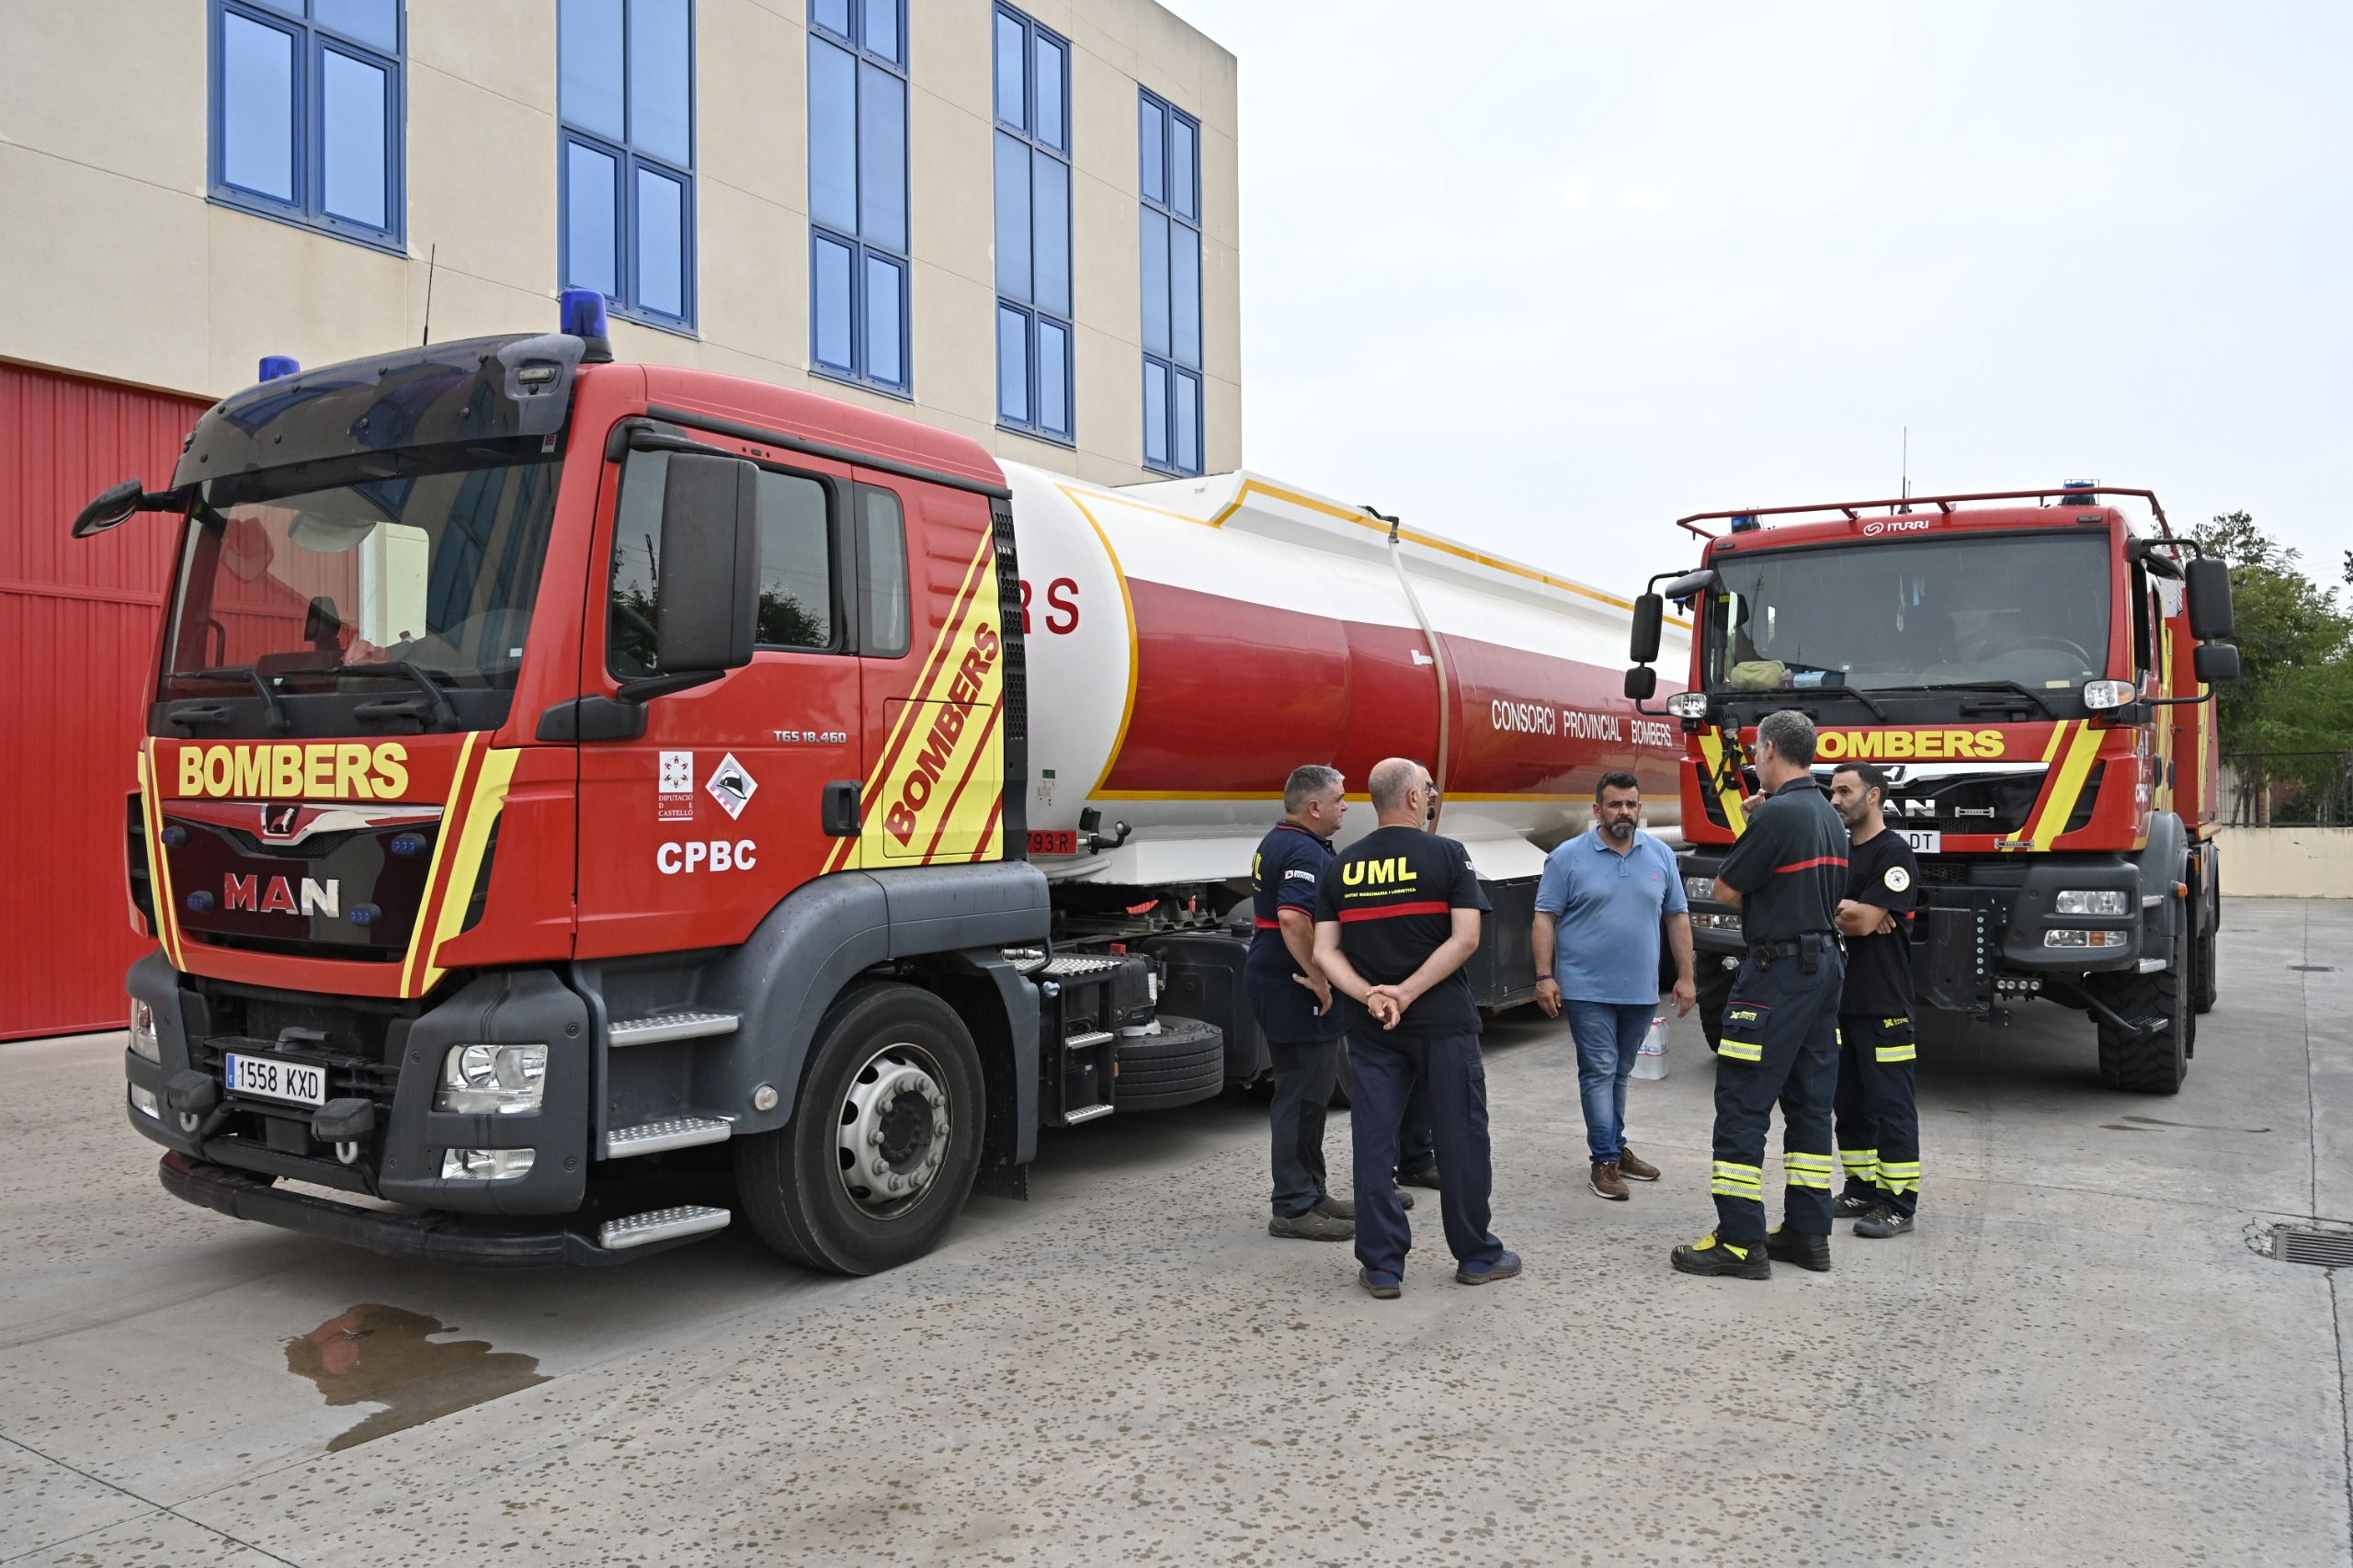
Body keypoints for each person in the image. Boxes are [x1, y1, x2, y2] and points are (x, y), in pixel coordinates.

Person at [1313, 757, 1518, 1298]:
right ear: (1410, 797)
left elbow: (1325, 951)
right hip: (1442, 1023)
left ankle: (1383, 1267)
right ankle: (1477, 1255)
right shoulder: (1448, 855)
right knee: (1461, 1137)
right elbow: (1465, 938)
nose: (1432, 797)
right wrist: (1407, 991)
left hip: (1371, 1027)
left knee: (1374, 1143)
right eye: (1428, 789)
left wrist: (1371, 994)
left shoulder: (1342, 865)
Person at [1671, 710, 1849, 1280]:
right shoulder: (1828, 813)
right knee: (1809, 1106)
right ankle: (1808, 1232)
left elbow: (1727, 888)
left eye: (1755, 752)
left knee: (1742, 1103)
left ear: (1771, 750)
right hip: (1824, 968)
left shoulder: (1777, 816)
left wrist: (1756, 825)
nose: (1752, 760)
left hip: (1777, 974)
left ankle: (1741, 1240)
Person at [1533, 772, 1697, 1200]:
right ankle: (1603, 1160)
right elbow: (1544, 917)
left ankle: (1615, 1146)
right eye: (1615, 804)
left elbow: (1677, 917)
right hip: (1586, 988)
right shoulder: (1567, 857)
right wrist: (1545, 976)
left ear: (1639, 808)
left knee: (1620, 1071)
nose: (1624, 812)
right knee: (1600, 1069)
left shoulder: (1660, 855)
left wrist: (1686, 977)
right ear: (1597, 810)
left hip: (1640, 989)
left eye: (1630, 804)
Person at [1245, 765, 1355, 1243]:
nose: (1345, 806)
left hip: (1279, 977)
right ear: (1314, 807)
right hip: (1292, 985)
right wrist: (1320, 976)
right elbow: (1292, 918)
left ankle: (1312, 1192)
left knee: (1314, 1092)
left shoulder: (1287, 840)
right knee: (1300, 1095)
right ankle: (1292, 1206)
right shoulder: (1301, 850)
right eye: (1339, 798)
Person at [1828, 762, 1922, 1238]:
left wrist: (1857, 912)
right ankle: (1861, 1187)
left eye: (1845, 791)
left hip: (1884, 1004)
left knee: (1891, 1106)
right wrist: (1850, 909)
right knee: (1849, 1104)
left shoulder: (1894, 853)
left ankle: (1899, 1204)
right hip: (1841, 1001)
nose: (1836, 800)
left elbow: (1863, 922)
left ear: (1874, 796)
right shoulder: (1839, 852)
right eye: (1833, 791)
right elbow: (1836, 911)